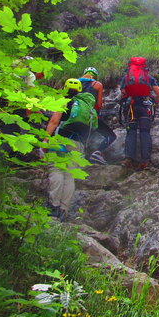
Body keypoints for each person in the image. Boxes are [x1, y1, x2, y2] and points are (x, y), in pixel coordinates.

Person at [42, 78, 96, 219]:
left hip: (61, 140)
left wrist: (45, 142)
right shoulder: (85, 105)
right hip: (78, 143)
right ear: (80, 90)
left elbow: (54, 121)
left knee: (57, 169)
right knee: (70, 174)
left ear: (65, 88)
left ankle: (54, 205)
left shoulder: (64, 102)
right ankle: (64, 209)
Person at [119, 57, 159, 170]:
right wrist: (155, 104)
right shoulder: (149, 78)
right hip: (145, 105)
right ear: (144, 67)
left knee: (131, 131)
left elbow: (123, 93)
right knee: (145, 131)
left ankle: (128, 158)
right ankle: (145, 160)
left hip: (131, 106)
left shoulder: (127, 78)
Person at [79, 66, 116, 165]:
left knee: (80, 137)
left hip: (74, 116)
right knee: (110, 136)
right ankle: (97, 153)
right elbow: (99, 105)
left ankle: (80, 157)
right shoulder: (97, 84)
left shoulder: (75, 83)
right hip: (90, 116)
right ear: (95, 76)